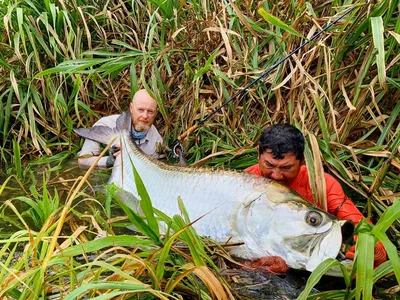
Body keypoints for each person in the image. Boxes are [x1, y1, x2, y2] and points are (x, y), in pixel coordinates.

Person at [244, 124, 386, 269]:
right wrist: (255, 265)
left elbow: (357, 222)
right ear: (258, 154)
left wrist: (371, 245)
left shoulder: (321, 185)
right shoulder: (242, 184)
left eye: (286, 167)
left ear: (302, 162)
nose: (276, 174)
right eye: (269, 165)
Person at [78, 89, 163, 168]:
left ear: (156, 113)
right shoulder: (106, 125)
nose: (145, 116)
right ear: (131, 108)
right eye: (140, 110)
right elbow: (82, 161)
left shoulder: (156, 141)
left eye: (150, 111)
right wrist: (108, 161)